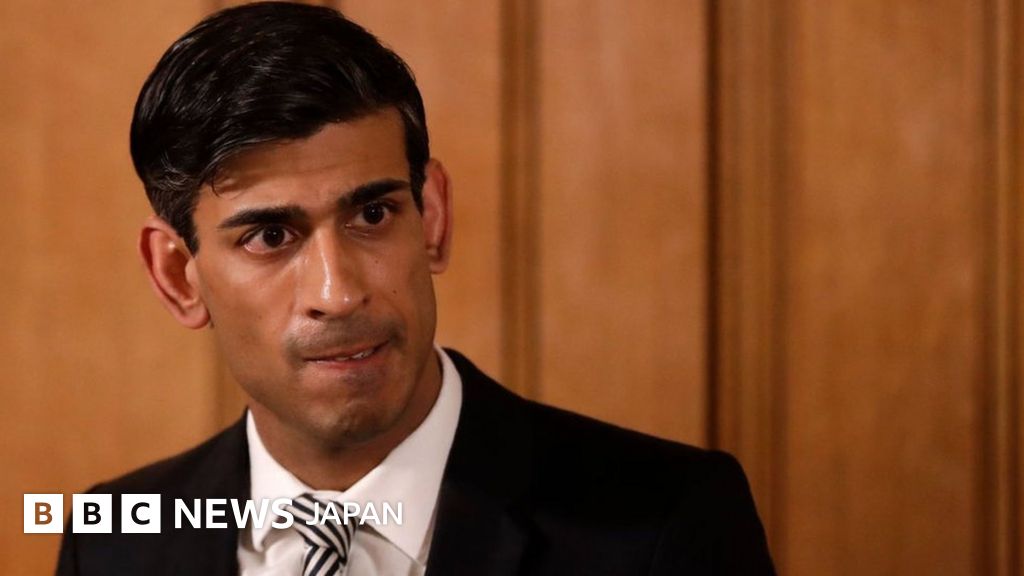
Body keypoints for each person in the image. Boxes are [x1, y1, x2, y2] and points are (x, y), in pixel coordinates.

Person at [56, 2, 775, 574]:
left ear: (431, 217)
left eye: (372, 215)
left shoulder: (667, 523)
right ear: (178, 277)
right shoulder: (112, 541)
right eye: (271, 236)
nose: (338, 293)